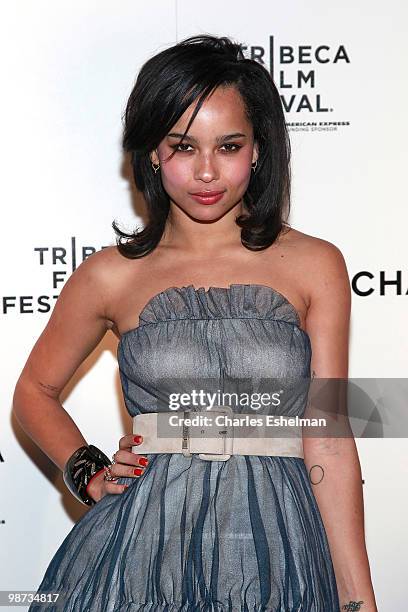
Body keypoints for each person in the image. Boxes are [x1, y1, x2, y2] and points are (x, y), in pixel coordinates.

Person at [12, 34, 377, 611]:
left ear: (257, 150)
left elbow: (328, 440)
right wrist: (87, 469)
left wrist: (358, 599)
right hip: (142, 545)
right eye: (184, 147)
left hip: (277, 547)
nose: (207, 172)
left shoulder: (315, 264)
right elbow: (34, 391)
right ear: (153, 153)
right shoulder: (110, 276)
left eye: (228, 146)